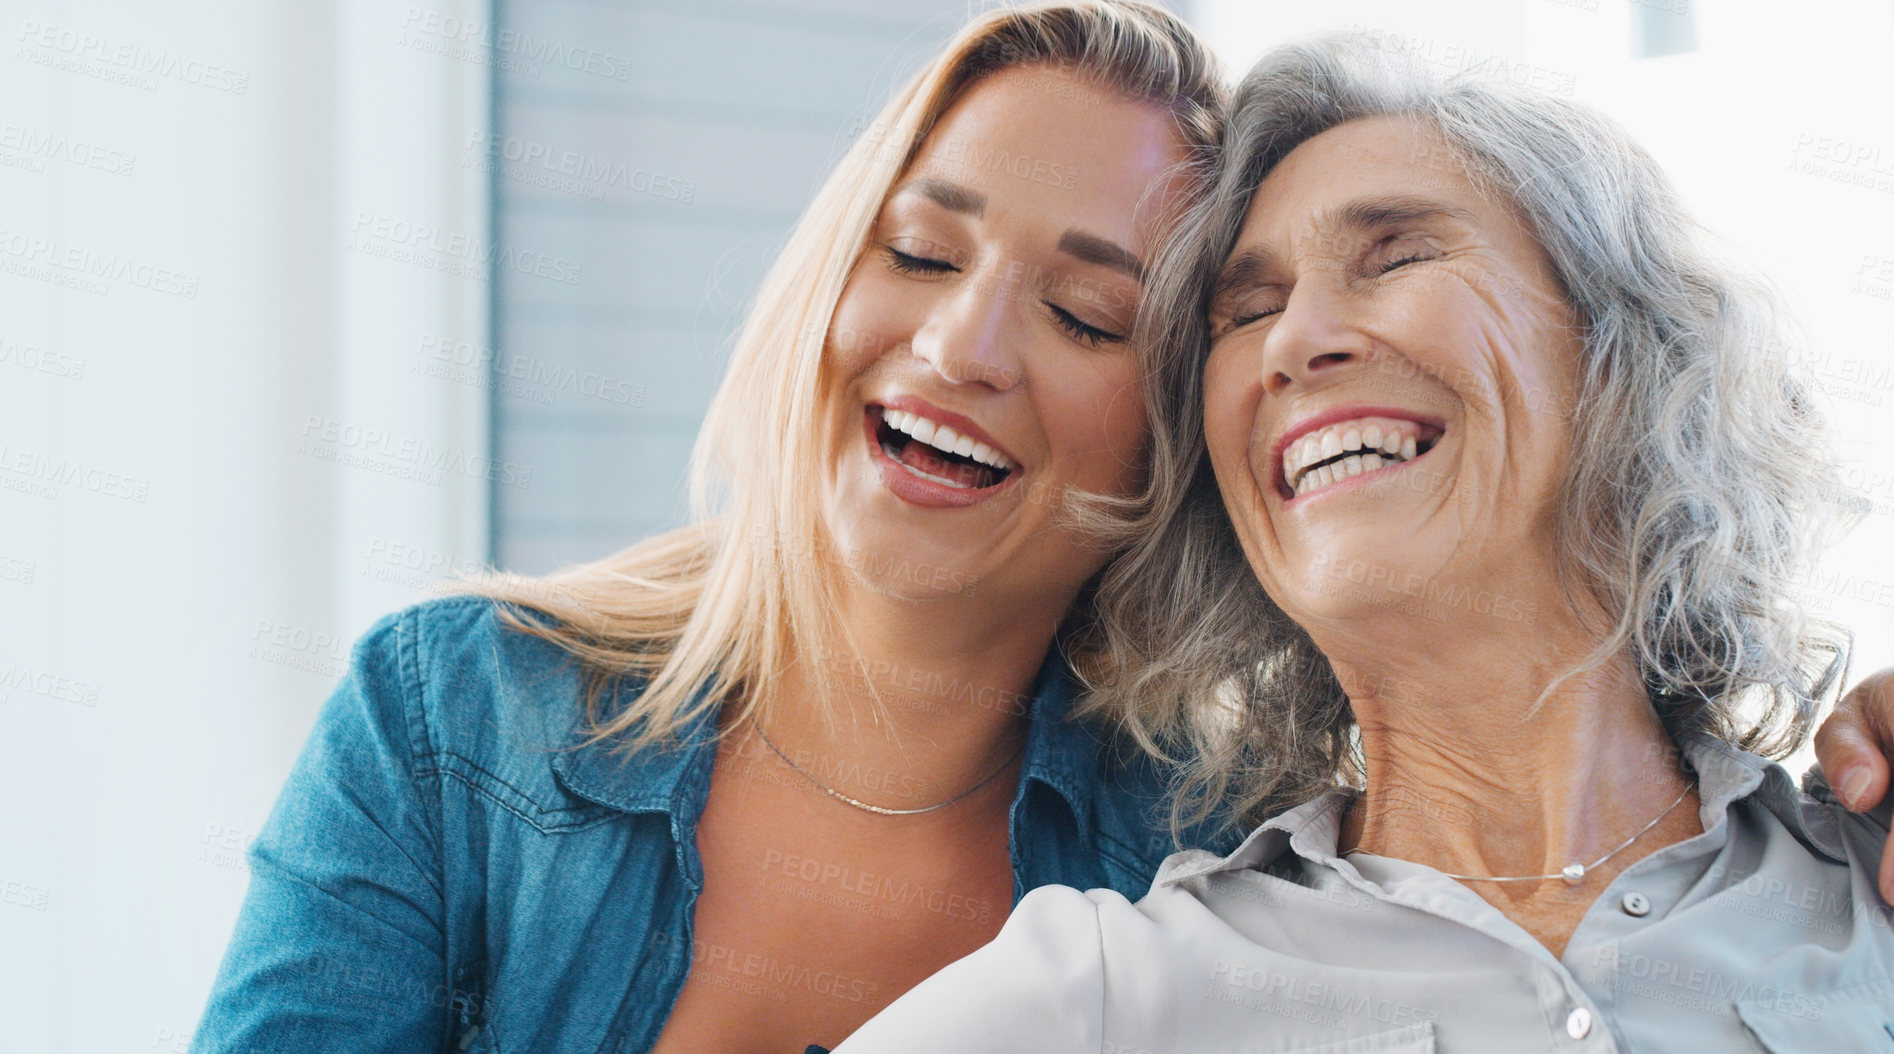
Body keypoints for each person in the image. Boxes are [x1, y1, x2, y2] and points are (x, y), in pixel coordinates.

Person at [186, 5, 1235, 1053]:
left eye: (1086, 315)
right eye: (919, 253)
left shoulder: (1211, 877)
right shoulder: (446, 722)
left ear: (1175, 437)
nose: (960, 345)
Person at [835, 35, 1894, 1052]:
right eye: (1245, 312)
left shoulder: (1869, 884)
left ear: (1617, 355)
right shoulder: (1107, 994)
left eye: (1397, 255)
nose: (1294, 342)